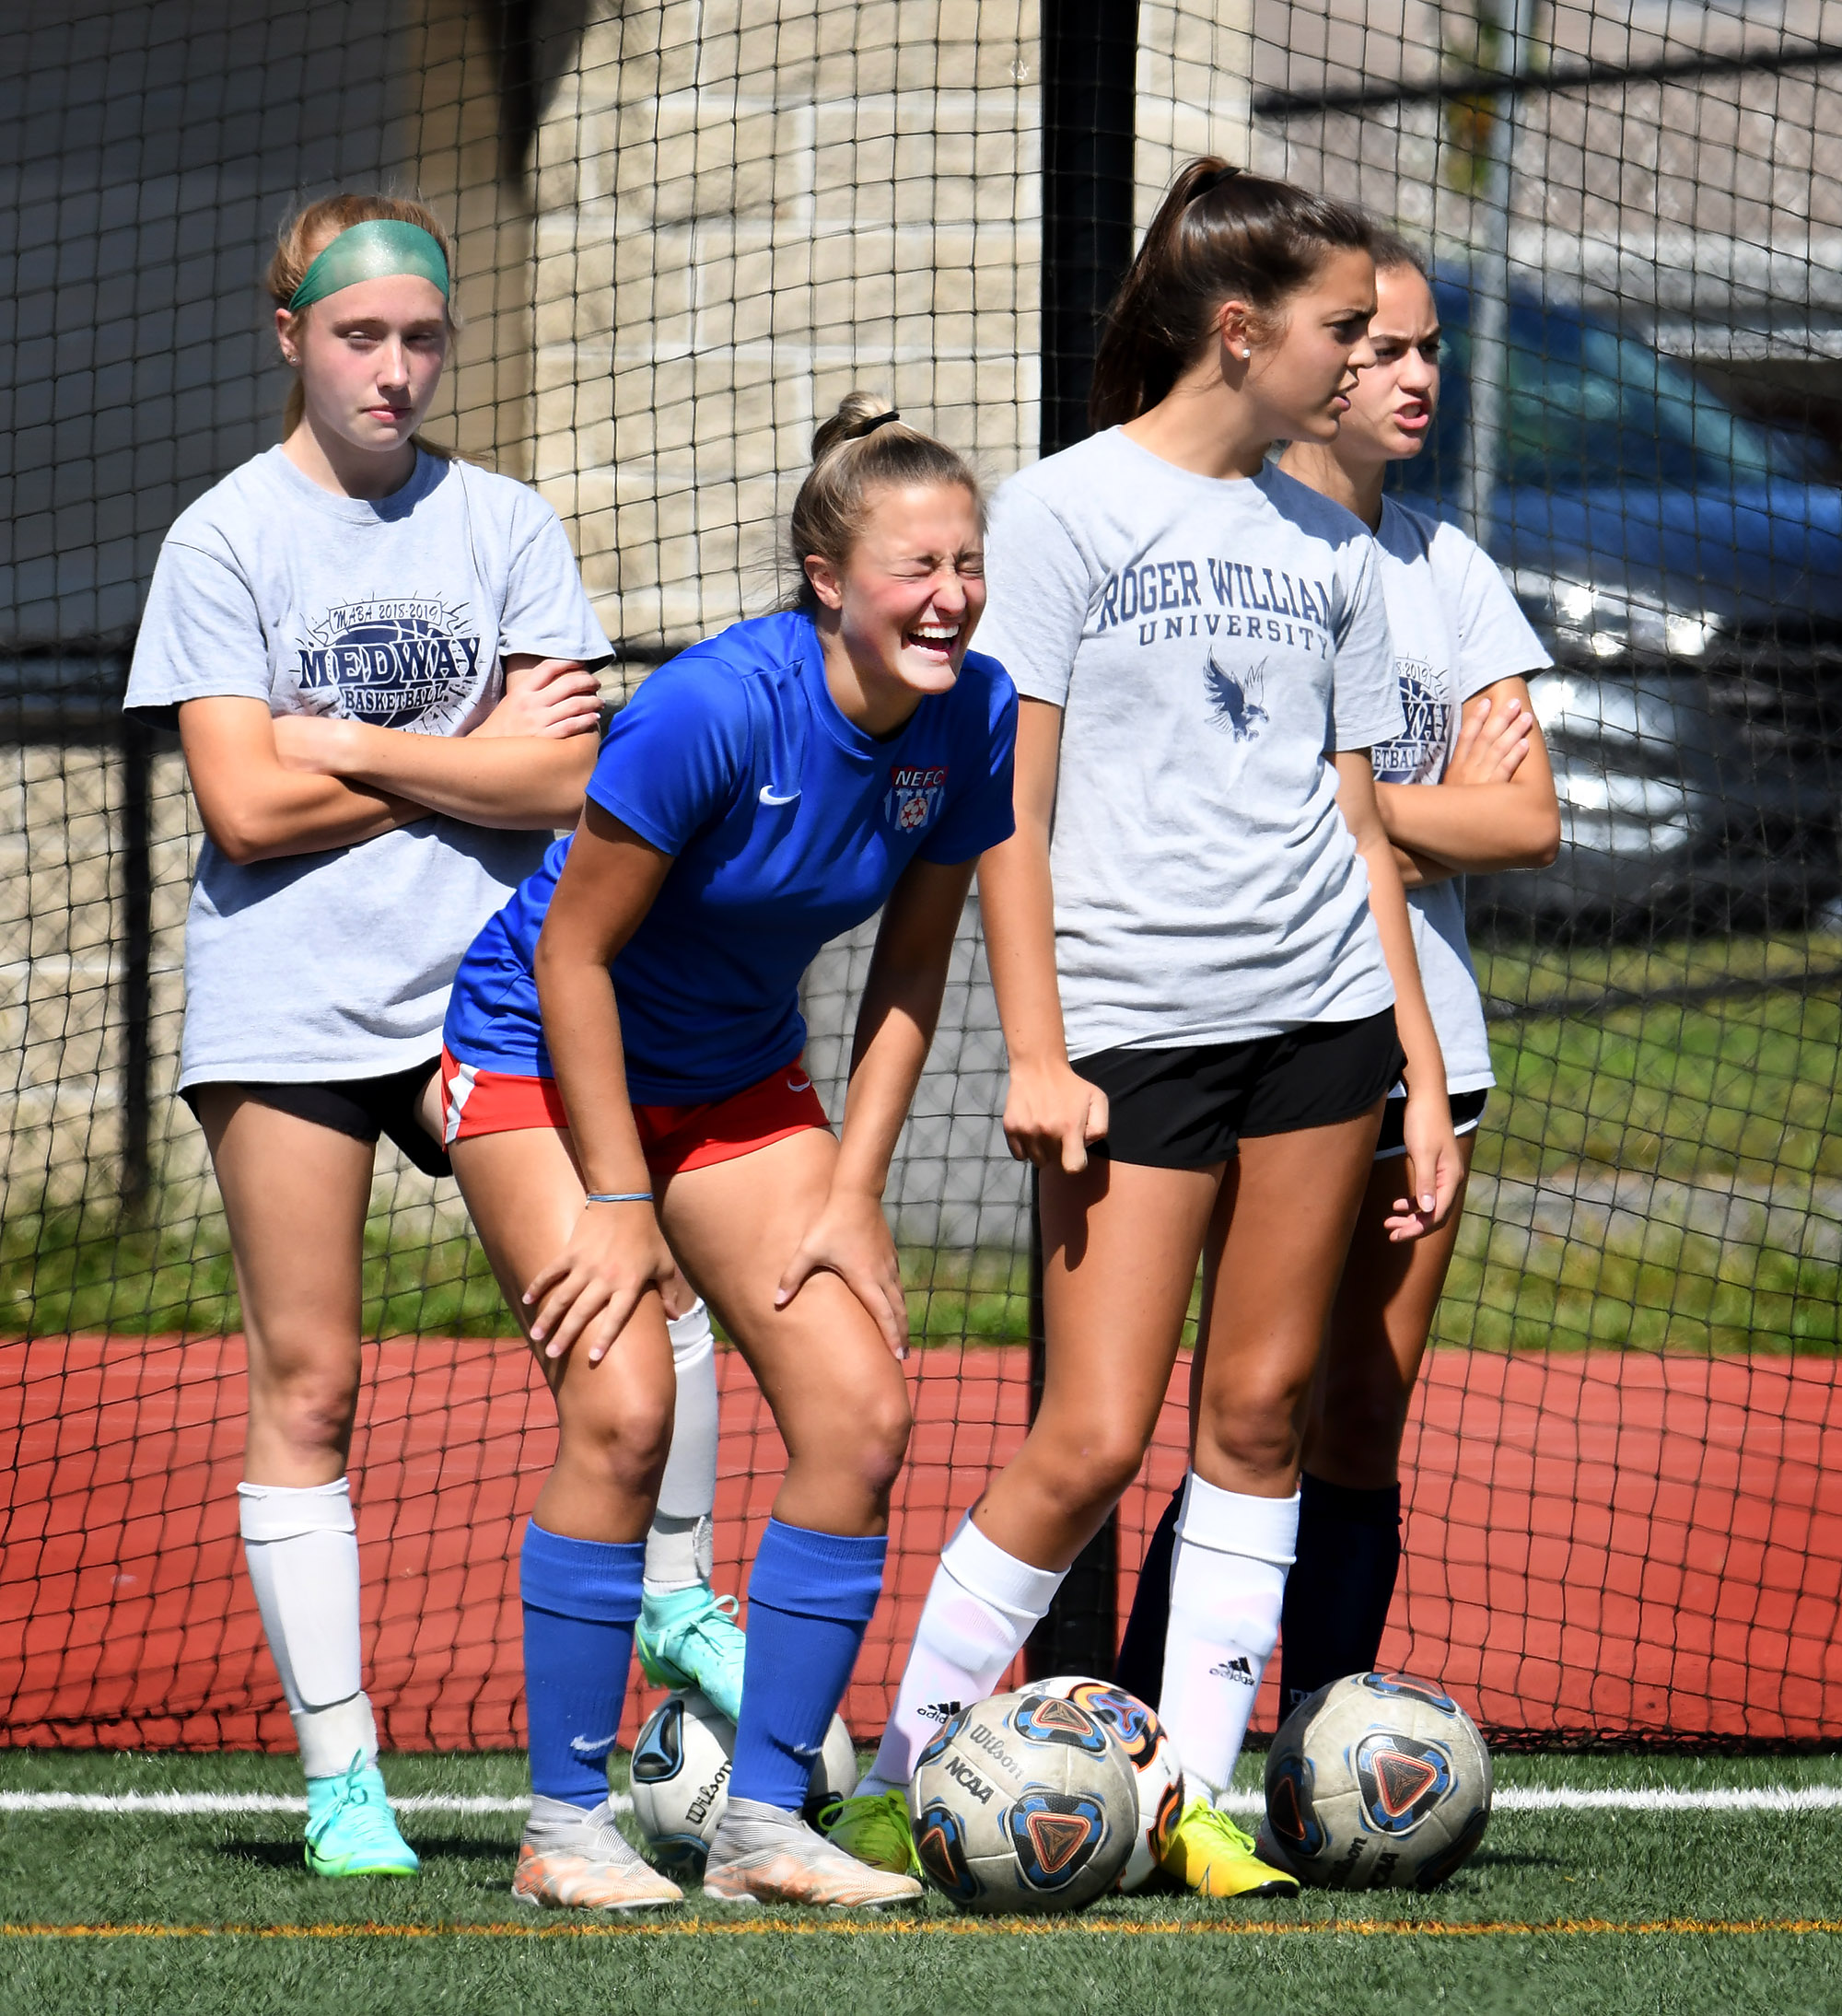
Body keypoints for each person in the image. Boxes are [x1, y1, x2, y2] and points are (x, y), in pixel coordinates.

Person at [827, 162, 1466, 1898]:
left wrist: (1412, 1061)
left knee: (1257, 1414)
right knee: (1095, 1434)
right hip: (1132, 1032)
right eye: (1342, 329)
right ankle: (905, 1776)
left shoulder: (1334, 541)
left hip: (1322, 1019)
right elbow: (1006, 803)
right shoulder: (1058, 512)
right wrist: (1034, 1045)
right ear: (1241, 330)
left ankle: (1184, 1805)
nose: (1362, 361)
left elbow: (1360, 812)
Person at [122, 192, 739, 1882]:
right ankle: (343, 1780)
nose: (395, 371)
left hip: (488, 991)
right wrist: (459, 732)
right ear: (291, 340)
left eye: (420, 339)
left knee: (640, 1299)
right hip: (291, 1004)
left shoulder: (506, 523)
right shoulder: (223, 542)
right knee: (313, 1380)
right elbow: (242, 808)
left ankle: (678, 1591)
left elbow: (568, 779)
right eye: (359, 337)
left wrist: (350, 734)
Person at [438, 393, 1019, 1910]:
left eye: (968, 560)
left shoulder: (977, 711)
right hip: (540, 1049)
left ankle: (765, 1829)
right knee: (625, 1410)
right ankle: (564, 1831)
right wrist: (619, 1204)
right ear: (829, 578)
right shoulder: (713, 706)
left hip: (737, 1075)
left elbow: (910, 971)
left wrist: (851, 1191)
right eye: (917, 564)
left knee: (860, 1412)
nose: (950, 593)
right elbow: (572, 958)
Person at [1112, 234, 1560, 1754]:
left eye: (1429, 347)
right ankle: (1136, 1725)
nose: (1417, 372)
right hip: (1268, 1023)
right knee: (1252, 1401)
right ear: (1305, 358)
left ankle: (1320, 1737)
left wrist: (1364, 810)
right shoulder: (1240, 549)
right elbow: (1274, 801)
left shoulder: (1451, 566)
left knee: (1361, 1418)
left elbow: (1531, 822)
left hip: (1435, 1037)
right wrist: (1386, 808)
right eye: (1382, 345)